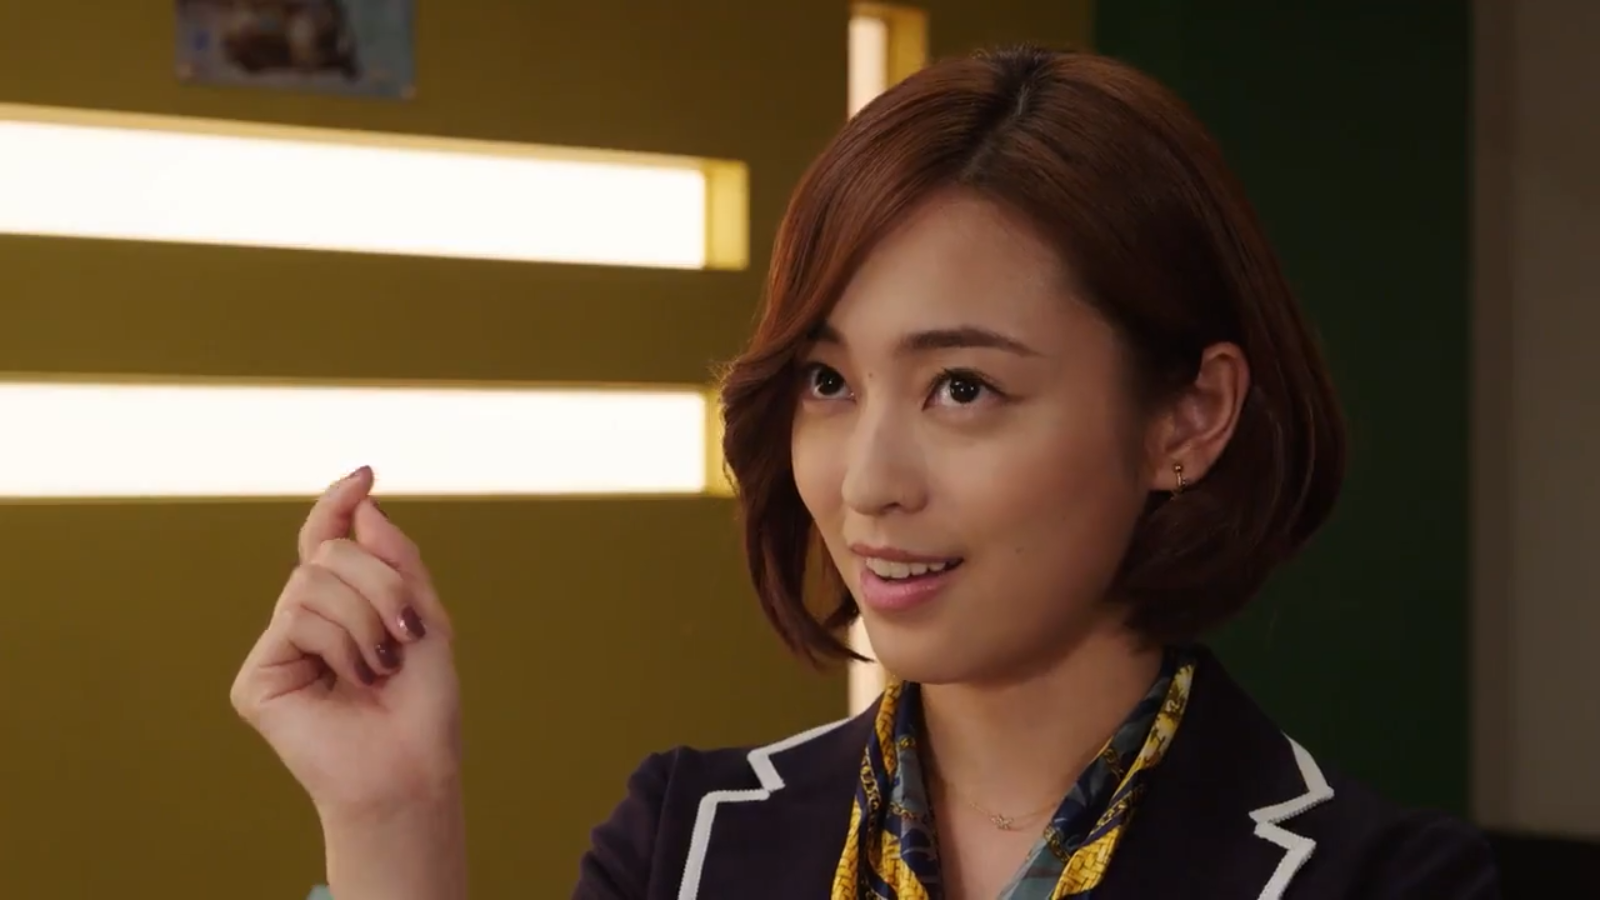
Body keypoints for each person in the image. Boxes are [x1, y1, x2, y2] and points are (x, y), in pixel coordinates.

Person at [229, 46, 1500, 900]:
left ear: (1189, 417)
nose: (867, 483)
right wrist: (391, 817)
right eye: (829, 383)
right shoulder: (687, 840)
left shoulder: (1380, 881)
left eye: (963, 389)